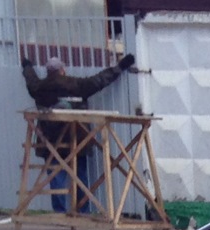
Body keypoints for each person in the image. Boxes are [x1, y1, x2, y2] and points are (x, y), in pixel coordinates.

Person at [20, 52, 137, 212]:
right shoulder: (76, 85)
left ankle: (60, 213)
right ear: (63, 70)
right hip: (77, 139)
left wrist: (27, 66)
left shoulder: (39, 88)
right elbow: (100, 80)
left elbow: (31, 79)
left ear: (48, 72)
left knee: (55, 177)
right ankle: (83, 211)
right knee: (80, 177)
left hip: (50, 141)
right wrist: (122, 66)